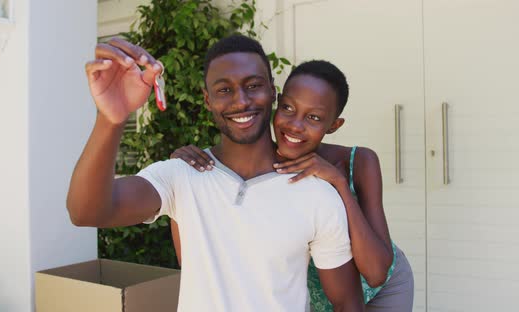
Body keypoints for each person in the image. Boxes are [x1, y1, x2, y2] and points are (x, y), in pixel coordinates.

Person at [66, 35, 364, 311]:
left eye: (253, 85)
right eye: (224, 89)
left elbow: (348, 303)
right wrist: (112, 119)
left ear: (273, 91)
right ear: (207, 99)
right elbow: (86, 212)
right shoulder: (181, 175)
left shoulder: (318, 195)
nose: (241, 101)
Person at [171, 60, 414, 311]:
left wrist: (339, 184)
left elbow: (376, 273)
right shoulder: (257, 168)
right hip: (315, 295)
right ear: (275, 103)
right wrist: (183, 173)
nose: (295, 125)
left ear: (334, 125)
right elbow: (194, 256)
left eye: (314, 117)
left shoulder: (359, 161)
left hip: (381, 291)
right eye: (287, 108)